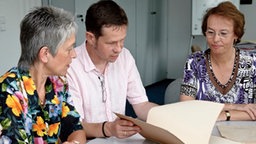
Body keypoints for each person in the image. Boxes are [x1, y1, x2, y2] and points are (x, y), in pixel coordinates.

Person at [67, 0, 158, 139]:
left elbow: (141, 105)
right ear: (91, 38)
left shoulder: (125, 57)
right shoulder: (70, 65)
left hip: (118, 139)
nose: (119, 48)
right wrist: (108, 128)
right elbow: (74, 125)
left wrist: (166, 115)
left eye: (122, 40)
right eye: (111, 43)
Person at [0, 6, 86, 144]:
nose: (74, 54)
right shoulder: (8, 91)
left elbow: (76, 129)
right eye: (69, 49)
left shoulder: (59, 83)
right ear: (45, 54)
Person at [180, 1, 256, 121]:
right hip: (203, 129)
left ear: (236, 35)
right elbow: (186, 106)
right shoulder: (194, 62)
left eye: (223, 33)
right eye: (210, 32)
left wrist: (223, 115)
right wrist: (234, 107)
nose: (215, 39)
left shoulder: (252, 63)